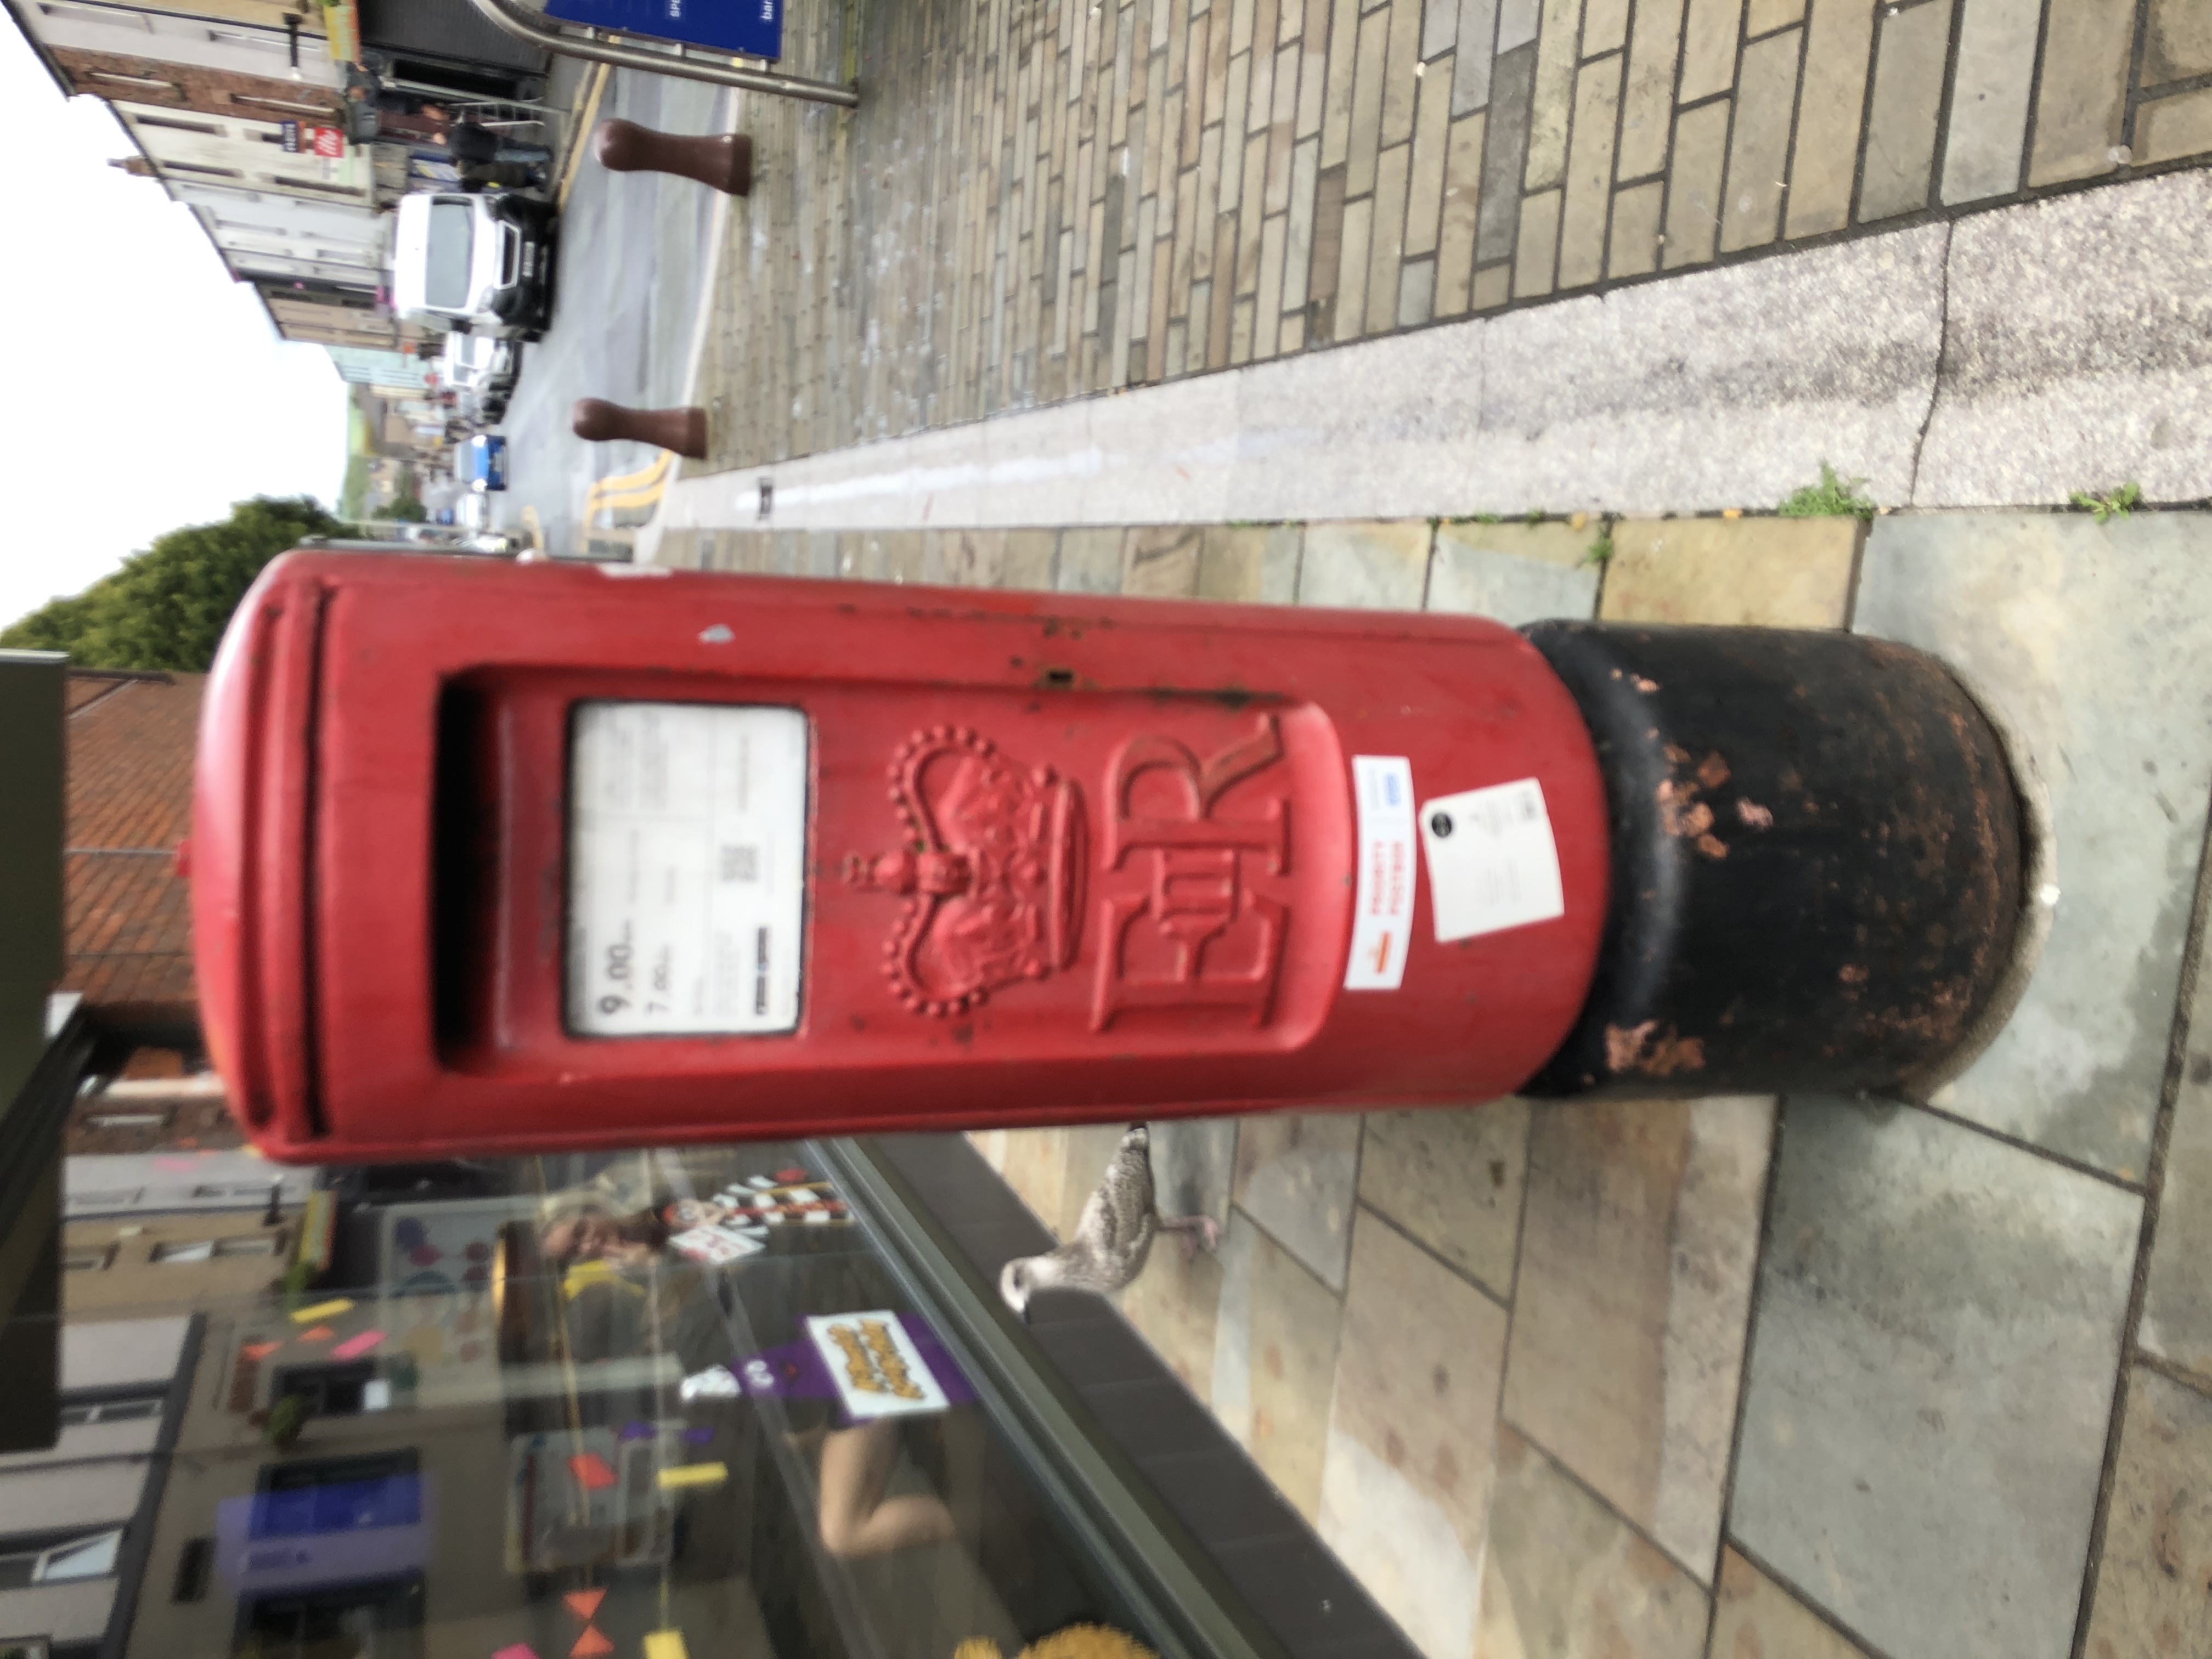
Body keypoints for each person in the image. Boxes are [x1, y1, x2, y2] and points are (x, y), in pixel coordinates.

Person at [535, 1195, 960, 1562]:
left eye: (581, 1233)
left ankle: (976, 1523)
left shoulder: (690, 1331)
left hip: (863, 1362)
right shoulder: (678, 1297)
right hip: (850, 1342)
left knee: (842, 1533)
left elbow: (799, 1418)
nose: (591, 1246)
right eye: (577, 1251)